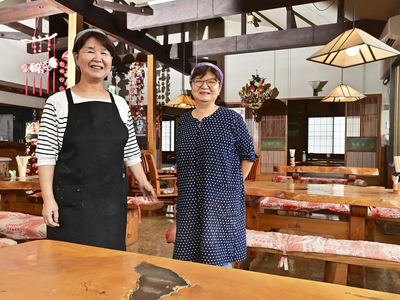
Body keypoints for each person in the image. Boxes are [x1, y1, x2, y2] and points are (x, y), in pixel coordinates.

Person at [36, 28, 156, 251]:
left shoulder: (120, 104)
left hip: (111, 204)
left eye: (105, 52)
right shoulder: (57, 102)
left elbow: (129, 150)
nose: (98, 58)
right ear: (76, 58)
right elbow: (46, 155)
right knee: (68, 269)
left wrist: (143, 180)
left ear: (111, 60)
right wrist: (48, 199)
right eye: (90, 51)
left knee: (109, 271)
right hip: (70, 204)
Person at [173, 62, 257, 267]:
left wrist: (233, 184)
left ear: (219, 88)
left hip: (220, 197)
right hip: (189, 197)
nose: (205, 86)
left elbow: (248, 155)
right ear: (191, 87)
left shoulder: (231, 118)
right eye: (199, 81)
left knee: (216, 255)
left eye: (211, 81)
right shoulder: (183, 121)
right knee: (189, 256)